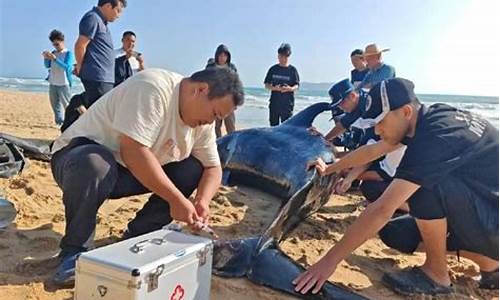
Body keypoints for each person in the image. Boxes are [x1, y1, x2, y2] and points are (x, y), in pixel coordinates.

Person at [294, 78, 498, 296]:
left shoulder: (436, 138)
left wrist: (328, 262)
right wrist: (331, 168)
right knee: (395, 233)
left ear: (406, 111)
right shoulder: (426, 118)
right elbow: (375, 150)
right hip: (482, 215)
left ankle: (436, 274)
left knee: (422, 184)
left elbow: (382, 208)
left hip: (492, 220)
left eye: (380, 122)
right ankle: (489, 263)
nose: (377, 130)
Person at [50, 67, 244, 286]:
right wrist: (176, 200)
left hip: (128, 171)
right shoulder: (153, 87)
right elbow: (133, 150)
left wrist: (202, 201)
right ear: (201, 90)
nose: (212, 123)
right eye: (215, 114)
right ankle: (75, 249)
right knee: (94, 163)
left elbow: (213, 168)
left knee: (192, 168)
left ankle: (139, 235)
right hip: (77, 160)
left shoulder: (201, 124)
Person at [74, 0, 127, 109]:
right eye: (118, 11)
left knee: (101, 113)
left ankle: (79, 106)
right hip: (97, 77)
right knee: (99, 115)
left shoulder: (101, 22)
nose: (119, 16)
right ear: (108, 6)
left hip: (104, 78)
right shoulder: (92, 18)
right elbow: (80, 45)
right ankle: (77, 105)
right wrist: (80, 67)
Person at [42, 30, 75, 126]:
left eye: (57, 44)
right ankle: (59, 122)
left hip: (64, 83)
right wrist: (46, 57)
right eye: (54, 44)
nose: (55, 46)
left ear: (62, 41)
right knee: (54, 104)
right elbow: (47, 66)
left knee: (67, 105)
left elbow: (67, 67)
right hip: (53, 82)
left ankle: (71, 122)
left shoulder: (68, 53)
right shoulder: (53, 52)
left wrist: (55, 59)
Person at [205, 44, 237, 137]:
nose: (223, 58)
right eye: (220, 55)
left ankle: (231, 146)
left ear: (228, 57)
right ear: (217, 56)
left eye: (225, 56)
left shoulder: (231, 67)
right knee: (215, 127)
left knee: (230, 126)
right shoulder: (211, 67)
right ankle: (217, 146)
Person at [264, 43, 300, 126]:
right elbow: (266, 85)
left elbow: (297, 85)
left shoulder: (293, 70)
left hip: (287, 104)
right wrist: (275, 88)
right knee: (273, 126)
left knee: (286, 127)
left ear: (288, 56)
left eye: (283, 56)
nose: (281, 58)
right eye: (279, 56)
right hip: (274, 103)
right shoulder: (273, 69)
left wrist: (290, 89)